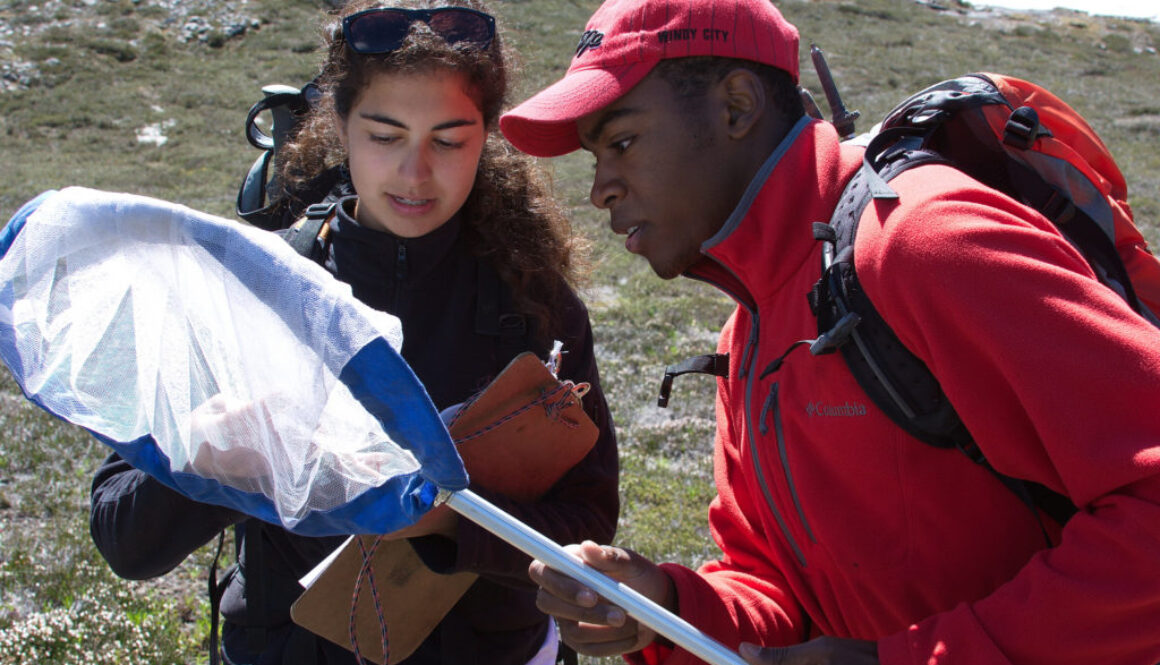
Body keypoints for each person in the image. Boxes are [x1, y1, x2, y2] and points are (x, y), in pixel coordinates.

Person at [497, 0, 1160, 664]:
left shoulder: (924, 243)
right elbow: (780, 590)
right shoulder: (748, 334)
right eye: (595, 157)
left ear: (736, 107)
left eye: (620, 142)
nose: (600, 190)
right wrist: (667, 609)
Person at [89, 1, 620, 664]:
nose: (414, 172)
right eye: (385, 135)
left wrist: (446, 519)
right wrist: (213, 454)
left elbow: (588, 523)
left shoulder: (533, 304)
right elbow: (124, 538)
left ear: (486, 136)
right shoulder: (254, 292)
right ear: (340, 125)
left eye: (449, 140)